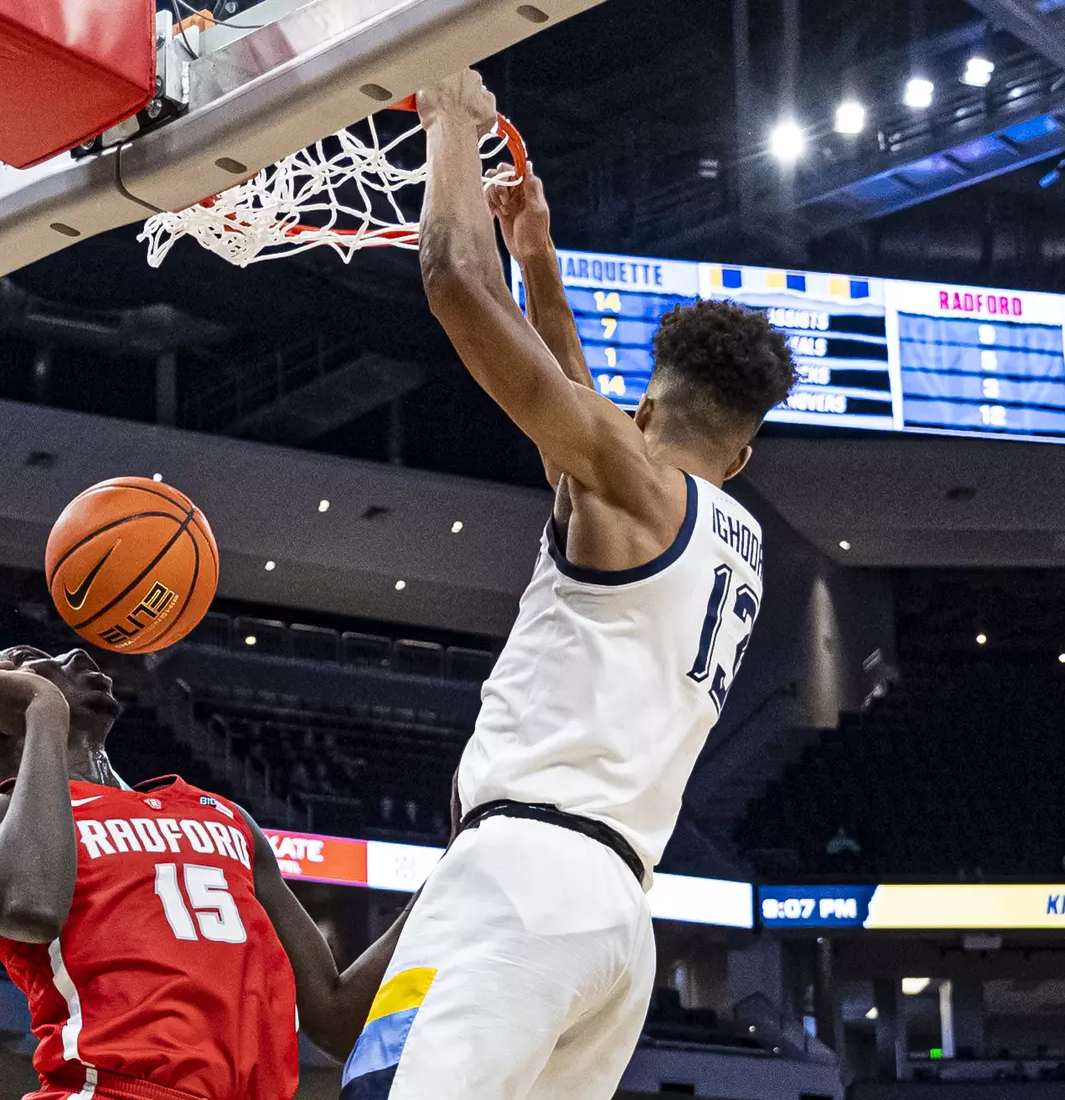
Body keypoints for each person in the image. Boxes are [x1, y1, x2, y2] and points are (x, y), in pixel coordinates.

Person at [338, 71, 797, 1100]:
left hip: (518, 883)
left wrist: (454, 124)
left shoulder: (625, 470)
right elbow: (579, 419)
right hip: (619, 926)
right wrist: (537, 257)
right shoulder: (737, 537)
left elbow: (453, 279)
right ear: (746, 450)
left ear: (643, 407)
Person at [0, 646, 411, 1100]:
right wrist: (43, 713)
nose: (73, 654)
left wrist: (461, 859)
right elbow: (29, 906)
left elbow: (338, 1019)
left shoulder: (225, 816)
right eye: (33, 661)